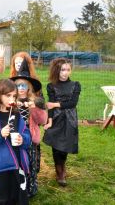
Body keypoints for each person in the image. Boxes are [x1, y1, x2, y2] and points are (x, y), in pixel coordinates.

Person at [42, 58, 81, 187]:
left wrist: (55, 104)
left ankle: (62, 166)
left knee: (65, 146)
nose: (65, 73)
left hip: (70, 119)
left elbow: (72, 103)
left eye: (68, 70)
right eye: (62, 70)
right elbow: (51, 107)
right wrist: (49, 121)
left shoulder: (76, 85)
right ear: (57, 70)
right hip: (57, 119)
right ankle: (59, 171)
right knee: (56, 146)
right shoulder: (51, 86)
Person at [11, 74, 47, 197]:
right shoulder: (11, 101)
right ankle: (15, 188)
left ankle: (29, 189)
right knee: (15, 162)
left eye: (23, 85)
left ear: (28, 88)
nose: (20, 88)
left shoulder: (33, 102)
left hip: (29, 136)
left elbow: (42, 120)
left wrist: (35, 108)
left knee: (29, 163)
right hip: (14, 136)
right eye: (18, 85)